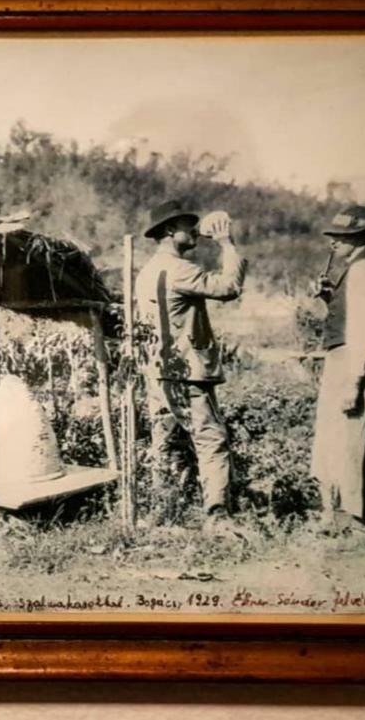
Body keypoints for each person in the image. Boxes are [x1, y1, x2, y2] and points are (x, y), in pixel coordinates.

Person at [135, 200, 248, 530]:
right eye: (188, 225)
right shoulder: (180, 270)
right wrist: (226, 243)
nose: (195, 231)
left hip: (158, 371)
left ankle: (162, 508)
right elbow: (230, 287)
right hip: (187, 370)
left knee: (165, 442)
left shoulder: (147, 271)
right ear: (170, 231)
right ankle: (218, 514)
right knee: (211, 439)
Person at [309, 205, 365, 536]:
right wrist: (330, 298)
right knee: (340, 437)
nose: (333, 243)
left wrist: (354, 381)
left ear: (359, 237)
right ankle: (344, 516)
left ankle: (361, 524)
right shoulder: (355, 268)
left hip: (355, 360)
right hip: (347, 358)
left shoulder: (363, 270)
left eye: (341, 237)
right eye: (333, 236)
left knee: (353, 441)